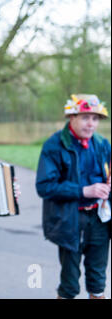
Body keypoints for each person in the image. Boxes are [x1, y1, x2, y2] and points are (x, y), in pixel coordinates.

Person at [36, 94, 111, 299]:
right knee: (69, 284)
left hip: (99, 219)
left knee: (98, 282)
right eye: (86, 117)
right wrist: (83, 190)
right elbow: (44, 186)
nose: (91, 124)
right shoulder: (54, 145)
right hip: (70, 219)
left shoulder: (103, 144)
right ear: (72, 117)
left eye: (95, 119)